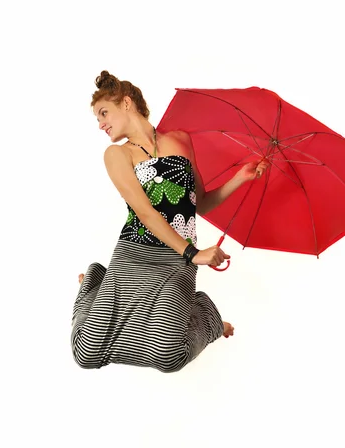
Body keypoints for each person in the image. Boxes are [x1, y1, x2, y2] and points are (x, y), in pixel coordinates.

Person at [70, 71, 268, 372]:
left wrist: (240, 178)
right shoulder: (116, 154)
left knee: (168, 355)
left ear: (126, 103)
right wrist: (194, 253)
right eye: (98, 118)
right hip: (135, 254)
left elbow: (198, 202)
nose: (100, 124)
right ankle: (94, 283)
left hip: (176, 261)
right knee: (85, 353)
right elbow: (146, 212)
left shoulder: (181, 140)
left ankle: (208, 318)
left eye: (103, 113)